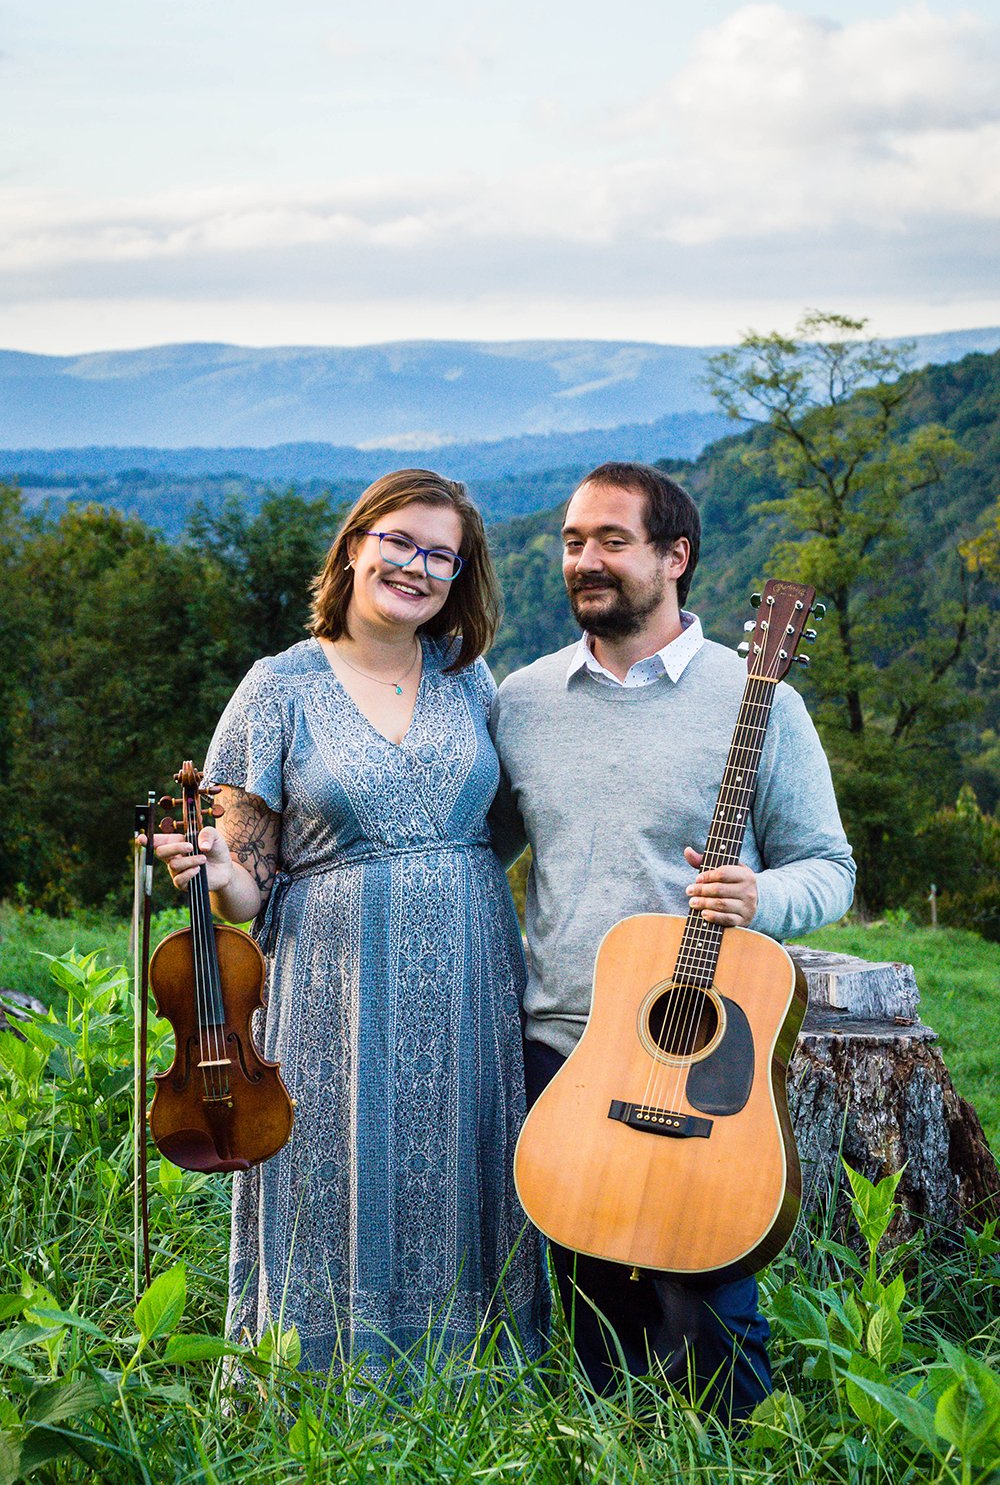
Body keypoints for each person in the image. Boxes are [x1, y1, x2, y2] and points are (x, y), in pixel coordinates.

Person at [155, 468, 547, 1375]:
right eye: (400, 542)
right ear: (355, 545)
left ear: (460, 576)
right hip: (333, 977)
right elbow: (247, 890)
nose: (417, 566)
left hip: (470, 965)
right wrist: (217, 866)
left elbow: (503, 824)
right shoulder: (276, 687)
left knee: (466, 1163)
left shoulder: (468, 677)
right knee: (334, 1163)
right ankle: (317, 1374)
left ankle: (475, 1377)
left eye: (441, 555)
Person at [489, 461, 855, 1422]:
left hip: (704, 1059)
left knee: (709, 1311)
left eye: (613, 540)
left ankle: (731, 1451)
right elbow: (469, 849)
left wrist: (759, 893)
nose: (586, 560)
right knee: (583, 1306)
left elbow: (830, 866)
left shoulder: (757, 697)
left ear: (676, 556)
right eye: (573, 541)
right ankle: (594, 1448)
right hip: (560, 1043)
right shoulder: (524, 702)